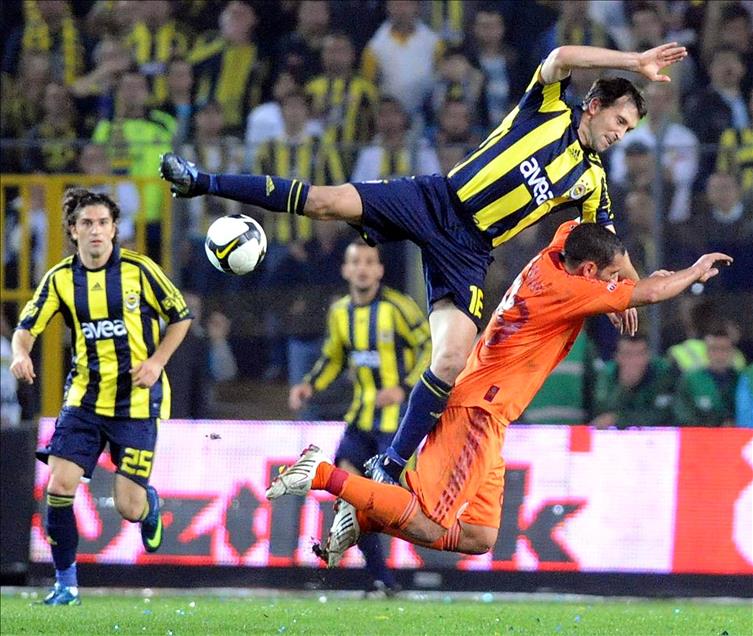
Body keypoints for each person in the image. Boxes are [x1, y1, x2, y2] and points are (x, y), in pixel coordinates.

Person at [160, 41, 688, 483]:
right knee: (323, 202)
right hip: (434, 200)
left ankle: (390, 464)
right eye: (619, 120)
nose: (620, 134)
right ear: (594, 104)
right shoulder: (547, 108)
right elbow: (561, 55)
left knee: (451, 360)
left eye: (629, 130)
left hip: (469, 251)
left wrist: (630, 289)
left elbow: (607, 245)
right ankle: (200, 181)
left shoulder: (591, 180)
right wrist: (635, 60)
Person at [266, 221, 732, 564]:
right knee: (430, 522)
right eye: (609, 276)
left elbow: (594, 234)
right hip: (480, 410)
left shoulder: (555, 252)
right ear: (589, 270)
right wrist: (692, 271)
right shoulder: (567, 289)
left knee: (478, 535)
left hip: (486, 405)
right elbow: (651, 294)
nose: (615, 284)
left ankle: (364, 516)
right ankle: (322, 474)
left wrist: (623, 280)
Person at [9, 188, 192, 605]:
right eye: (87, 223)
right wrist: (20, 353)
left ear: (114, 229)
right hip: (84, 401)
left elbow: (181, 317)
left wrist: (157, 361)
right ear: (73, 230)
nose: (95, 230)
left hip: (136, 402)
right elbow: (26, 327)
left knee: (128, 506)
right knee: (59, 485)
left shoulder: (140, 271)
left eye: (103, 223)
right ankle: (66, 584)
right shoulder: (60, 278)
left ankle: (148, 505)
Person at [289, 238, 430, 595]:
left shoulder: (398, 307)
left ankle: (415, 566)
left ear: (380, 270)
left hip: (396, 426)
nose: (363, 268)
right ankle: (383, 580)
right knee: (350, 500)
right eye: (356, 262)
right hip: (359, 420)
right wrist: (309, 385)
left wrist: (405, 387)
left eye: (369, 262)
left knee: (388, 505)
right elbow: (333, 357)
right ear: (345, 269)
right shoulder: (340, 312)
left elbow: (429, 346)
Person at [590, 333, 674, 429]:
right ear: (617, 357)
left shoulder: (662, 372)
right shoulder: (608, 373)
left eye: (639, 354)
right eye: (627, 354)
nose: (633, 361)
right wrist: (624, 387)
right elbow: (600, 410)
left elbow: (663, 414)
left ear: (648, 356)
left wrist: (620, 420)